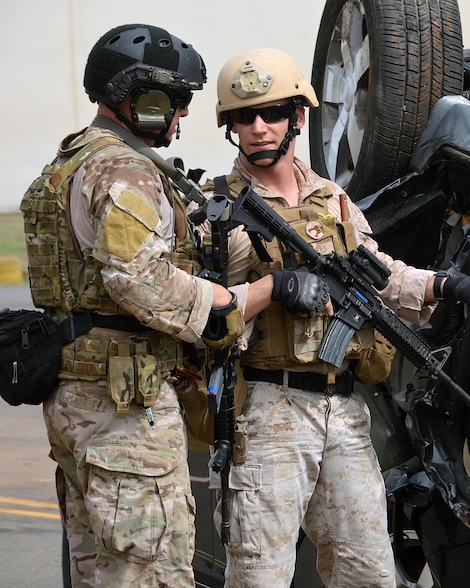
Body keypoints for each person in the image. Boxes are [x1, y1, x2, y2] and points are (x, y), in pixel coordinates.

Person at [206, 47, 470, 587]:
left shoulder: (332, 200)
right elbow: (203, 307)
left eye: (273, 114)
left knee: (369, 574)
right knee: (259, 576)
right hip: (267, 410)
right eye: (244, 117)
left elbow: (381, 273)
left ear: (298, 118)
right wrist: (276, 288)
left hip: (342, 407)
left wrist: (449, 285)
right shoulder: (219, 209)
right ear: (231, 126)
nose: (259, 128)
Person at [19, 24, 253, 587]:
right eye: (177, 101)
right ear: (140, 99)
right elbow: (139, 280)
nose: (183, 116)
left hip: (82, 397)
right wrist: (225, 306)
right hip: (124, 411)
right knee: (149, 569)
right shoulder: (124, 170)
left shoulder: (74, 159)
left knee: (97, 568)